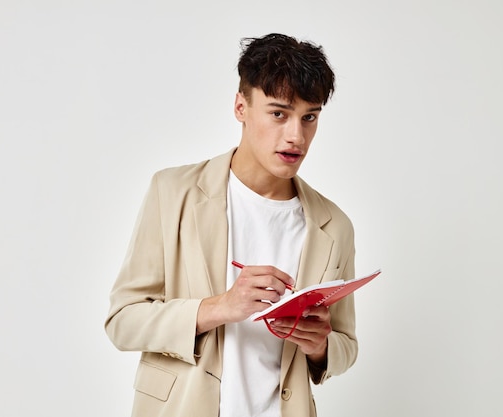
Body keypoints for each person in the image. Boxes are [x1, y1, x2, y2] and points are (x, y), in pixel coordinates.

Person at [105, 33, 358, 417]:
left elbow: (346, 345)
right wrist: (220, 307)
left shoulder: (333, 226)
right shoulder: (174, 193)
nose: (296, 136)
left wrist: (319, 345)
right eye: (279, 113)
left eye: (310, 117)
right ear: (241, 106)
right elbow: (123, 322)